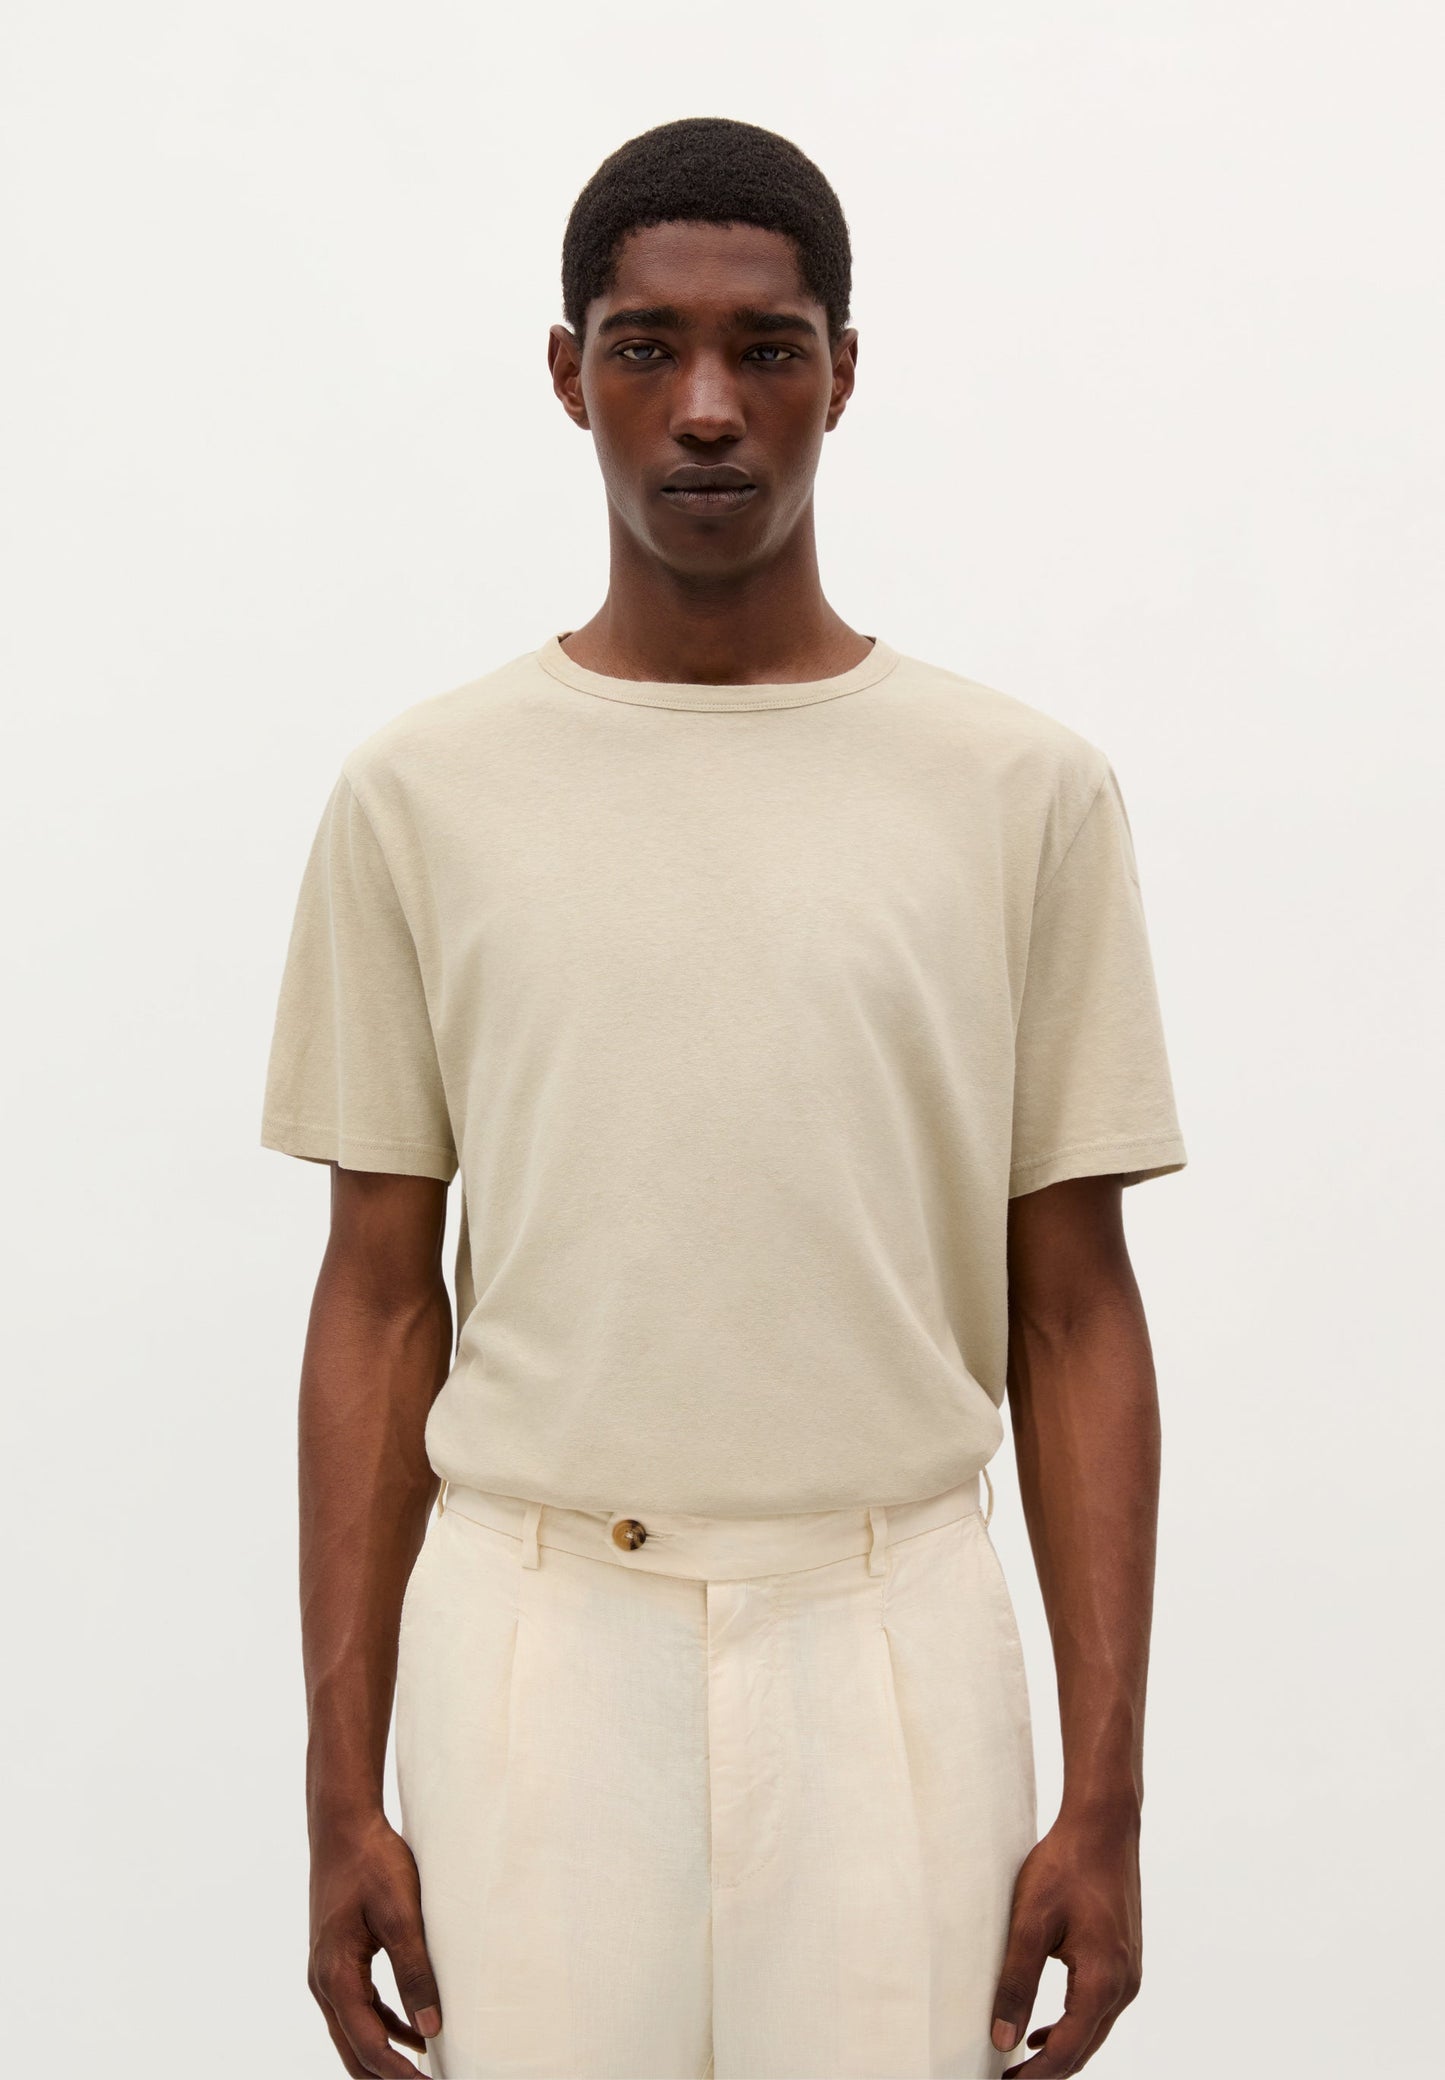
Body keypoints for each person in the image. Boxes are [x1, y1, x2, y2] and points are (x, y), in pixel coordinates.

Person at [260, 115, 1188, 2080]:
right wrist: (338, 1787)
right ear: (566, 372)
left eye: (764, 350)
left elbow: (1075, 1309)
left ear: (841, 372)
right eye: (644, 347)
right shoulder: (422, 794)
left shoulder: (1020, 793)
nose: (704, 408)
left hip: (894, 1628)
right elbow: (378, 1294)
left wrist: (1106, 1791)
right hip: (530, 1642)